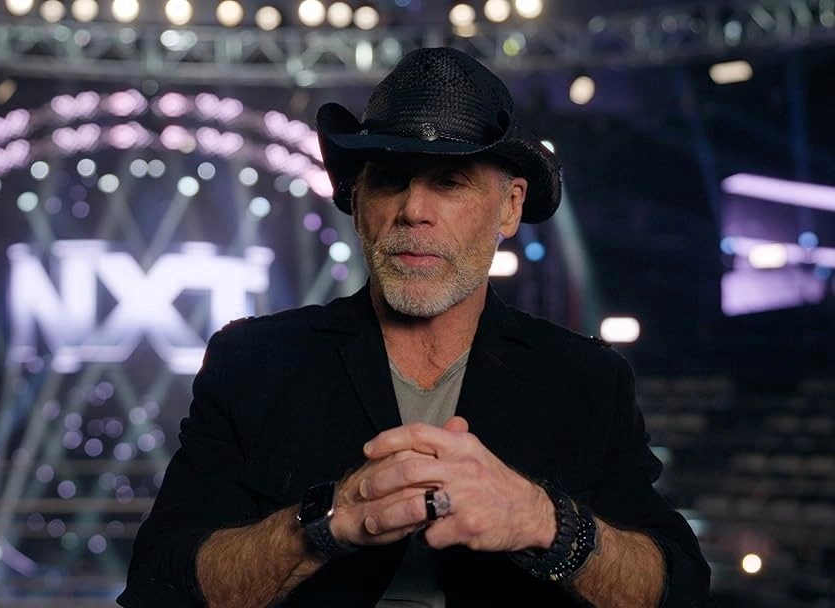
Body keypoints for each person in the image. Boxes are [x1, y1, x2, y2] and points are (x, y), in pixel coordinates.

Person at [117, 47, 711, 608]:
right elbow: (158, 587)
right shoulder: (252, 362)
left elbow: (677, 590)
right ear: (356, 202)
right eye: (389, 179)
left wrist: (544, 521)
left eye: (449, 182)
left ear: (510, 206)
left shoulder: (588, 381)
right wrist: (324, 523)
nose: (413, 211)